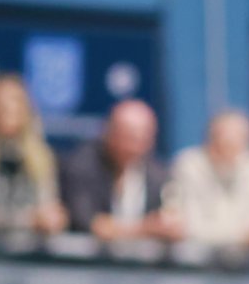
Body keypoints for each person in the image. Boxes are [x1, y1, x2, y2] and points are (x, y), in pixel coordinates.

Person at [59, 98, 181, 241]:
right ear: (110, 133)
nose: (137, 147)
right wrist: (145, 228)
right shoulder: (81, 166)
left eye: (144, 138)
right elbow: (89, 224)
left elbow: (171, 222)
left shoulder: (157, 173)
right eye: (131, 138)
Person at [0, 73, 67, 234]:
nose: (7, 110)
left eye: (14, 103)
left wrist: (54, 218)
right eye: (0, 104)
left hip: (29, 255)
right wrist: (27, 221)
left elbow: (47, 206)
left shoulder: (41, 157)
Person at [172, 109, 249, 249]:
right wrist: (244, 236)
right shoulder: (187, 166)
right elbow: (183, 229)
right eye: (221, 142)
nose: (228, 151)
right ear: (209, 140)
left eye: (235, 143)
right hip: (194, 261)